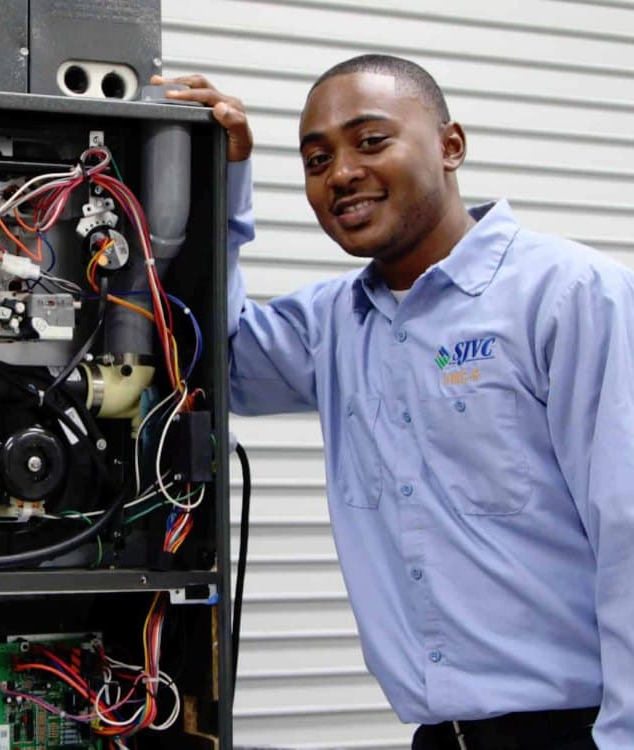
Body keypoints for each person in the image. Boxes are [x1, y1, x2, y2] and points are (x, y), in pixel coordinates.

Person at [152, 55, 634, 750]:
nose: (341, 173)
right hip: (442, 737)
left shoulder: (571, 298)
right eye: (316, 159)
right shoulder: (332, 325)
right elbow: (207, 360)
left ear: (450, 145)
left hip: (582, 733)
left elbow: (627, 529)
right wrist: (224, 173)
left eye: (370, 141)